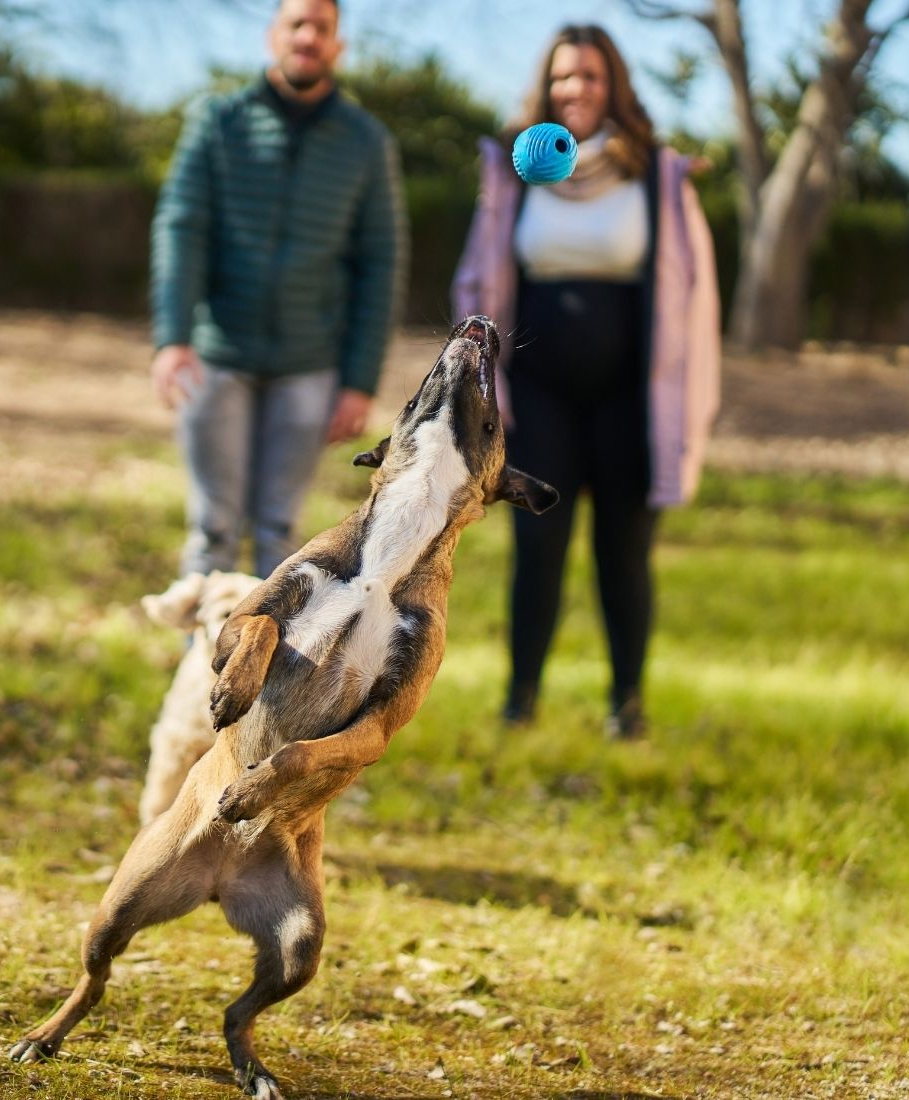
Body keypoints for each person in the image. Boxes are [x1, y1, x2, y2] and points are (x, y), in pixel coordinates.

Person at [451, 23, 721, 738]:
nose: (576, 90)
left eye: (591, 77)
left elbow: (694, 291)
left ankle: (626, 703)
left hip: (629, 398)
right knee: (537, 549)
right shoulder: (514, 175)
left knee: (623, 551)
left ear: (614, 88)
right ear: (547, 87)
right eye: (564, 77)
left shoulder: (655, 173)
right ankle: (520, 700)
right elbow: (478, 277)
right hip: (539, 397)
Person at [149, 0, 407, 580]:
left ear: (337, 45)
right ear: (274, 35)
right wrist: (172, 338)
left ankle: (268, 670)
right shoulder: (218, 121)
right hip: (218, 358)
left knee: (278, 534)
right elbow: (182, 228)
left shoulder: (366, 142)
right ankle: (199, 669)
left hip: (309, 366)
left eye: (323, 27)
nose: (308, 36)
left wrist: (359, 381)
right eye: (297, 23)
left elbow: (381, 262)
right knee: (212, 529)